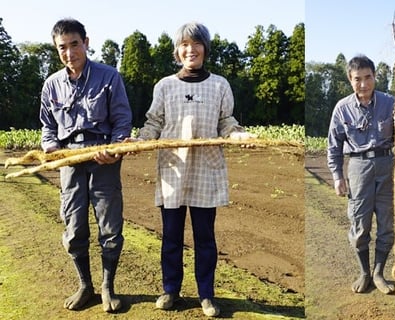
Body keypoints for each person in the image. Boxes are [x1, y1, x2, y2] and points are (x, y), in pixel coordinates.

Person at [133, 21, 255, 317]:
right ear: (177, 52)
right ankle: (170, 289)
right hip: (173, 170)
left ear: (205, 49)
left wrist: (238, 134)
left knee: (205, 237)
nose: (191, 50)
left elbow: (226, 121)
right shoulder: (164, 86)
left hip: (206, 168)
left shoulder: (219, 85)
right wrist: (139, 140)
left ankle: (206, 294)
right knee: (171, 235)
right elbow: (154, 123)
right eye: (184, 45)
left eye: (196, 44)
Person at [39, 18, 133, 312]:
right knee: (74, 226)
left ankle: (108, 287)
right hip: (70, 161)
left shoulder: (109, 77)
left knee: (110, 226)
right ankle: (85, 286)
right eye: (62, 48)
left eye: (74, 44)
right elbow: (47, 126)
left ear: (86, 42)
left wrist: (115, 150)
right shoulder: (52, 84)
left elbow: (121, 120)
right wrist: (52, 149)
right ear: (57, 50)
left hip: (103, 158)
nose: (69, 53)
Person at [327, 55, 395, 295]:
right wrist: (337, 176)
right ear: (350, 80)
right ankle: (364, 272)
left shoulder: (389, 102)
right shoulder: (342, 108)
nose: (363, 84)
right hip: (358, 168)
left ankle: (379, 273)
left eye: (368, 78)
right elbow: (333, 145)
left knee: (386, 223)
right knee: (360, 223)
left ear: (375, 77)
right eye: (357, 79)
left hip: (386, 165)